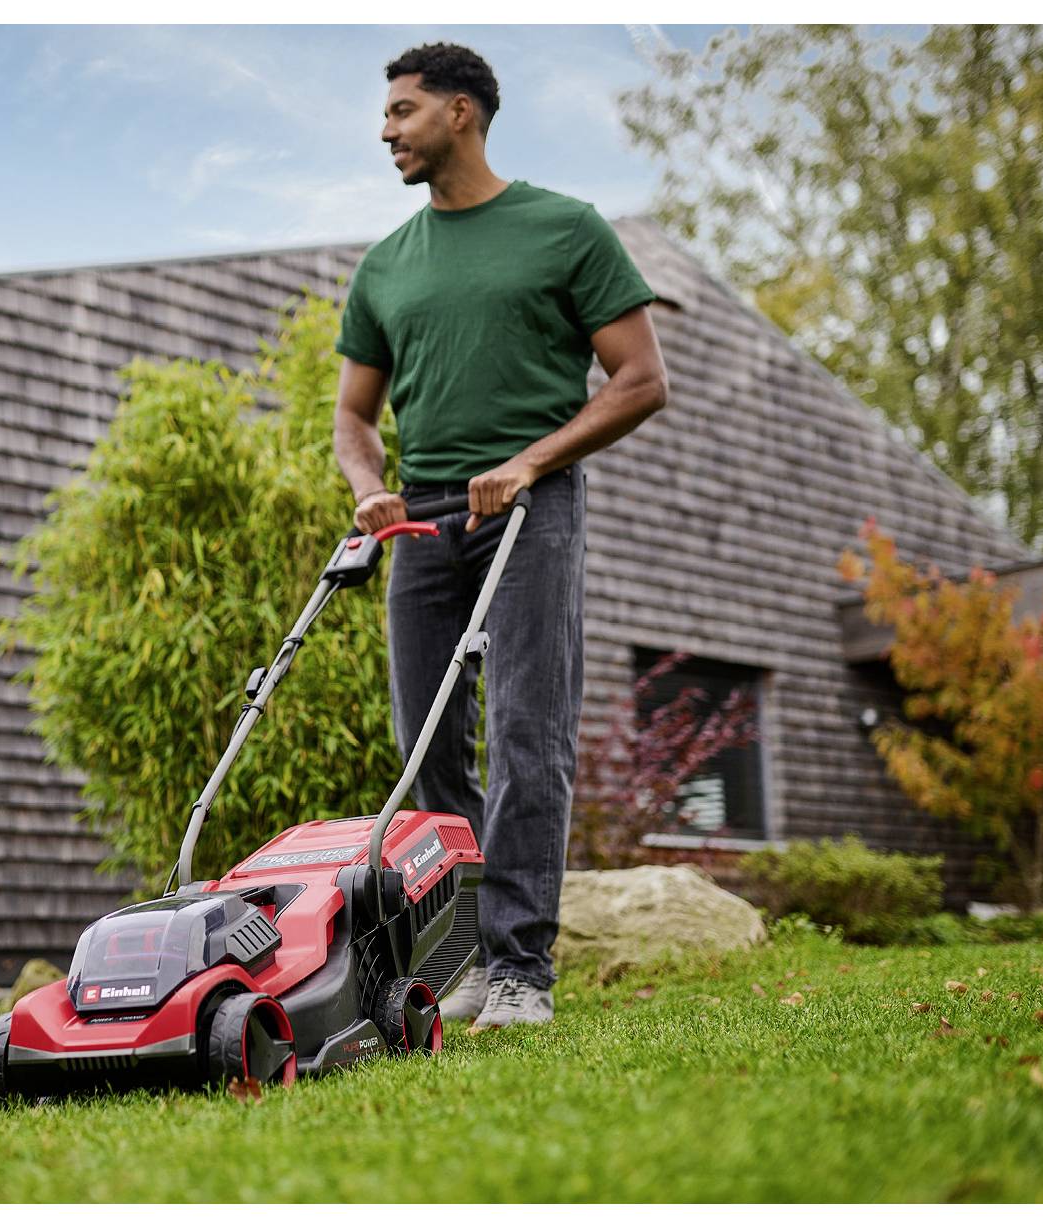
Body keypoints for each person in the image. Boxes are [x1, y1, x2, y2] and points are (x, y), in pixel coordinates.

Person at [332, 42, 671, 1032]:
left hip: (531, 505)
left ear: (461, 113)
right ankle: (472, 954)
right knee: (424, 749)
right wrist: (367, 485)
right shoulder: (386, 264)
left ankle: (523, 967)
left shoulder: (562, 229)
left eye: (401, 110)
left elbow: (640, 379)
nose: (385, 129)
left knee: (528, 733)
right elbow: (353, 414)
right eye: (384, 113)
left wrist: (530, 459)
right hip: (426, 518)